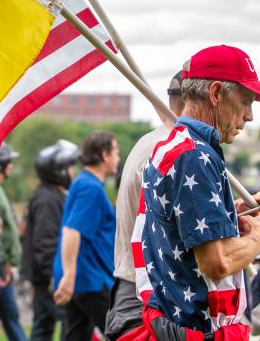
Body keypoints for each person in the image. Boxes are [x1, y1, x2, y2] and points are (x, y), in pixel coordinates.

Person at [138, 44, 260, 340]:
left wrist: (231, 213)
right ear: (216, 93)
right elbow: (217, 263)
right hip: (197, 330)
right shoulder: (195, 157)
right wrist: (259, 233)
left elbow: (178, 225)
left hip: (172, 320)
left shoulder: (173, 145)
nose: (250, 116)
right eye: (246, 101)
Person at [105, 71, 185, 340]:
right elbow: (187, 240)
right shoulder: (168, 151)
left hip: (143, 294)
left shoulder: (153, 143)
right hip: (148, 299)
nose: (247, 115)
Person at [53, 131, 119, 341]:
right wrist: (70, 275)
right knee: (125, 333)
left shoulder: (85, 183)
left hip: (83, 279)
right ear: (105, 155)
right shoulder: (89, 188)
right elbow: (72, 231)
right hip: (89, 280)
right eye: (116, 152)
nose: (118, 157)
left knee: (76, 336)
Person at [21, 139, 80, 341]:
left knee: (43, 327)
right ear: (59, 171)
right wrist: (55, 276)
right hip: (49, 277)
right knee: (68, 322)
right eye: (70, 167)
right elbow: (45, 242)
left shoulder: (51, 195)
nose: (73, 171)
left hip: (43, 276)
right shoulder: (48, 200)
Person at [0, 143, 27, 341]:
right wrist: (2, 264)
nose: (11, 165)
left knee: (12, 320)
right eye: (8, 161)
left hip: (3, 269)